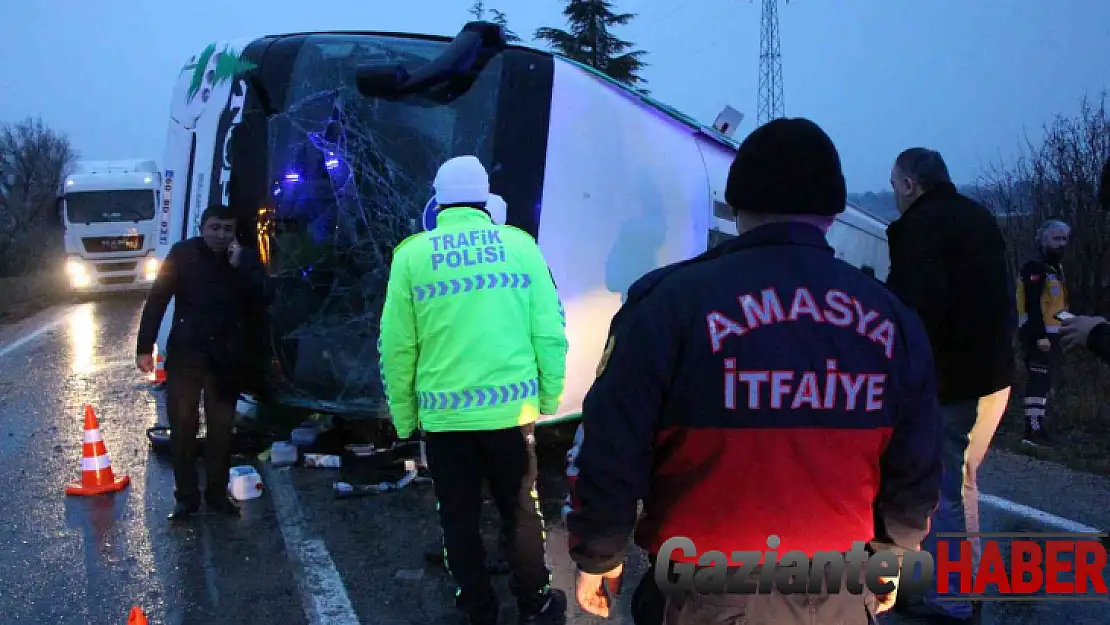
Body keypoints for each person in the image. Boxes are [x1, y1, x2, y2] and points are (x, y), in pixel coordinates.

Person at [565, 118, 942, 625]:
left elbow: (613, 441)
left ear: (738, 206)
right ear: (832, 212)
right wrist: (898, 550)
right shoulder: (893, 318)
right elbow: (916, 458)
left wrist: (599, 552)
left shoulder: (669, 303)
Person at [378, 155, 570, 625]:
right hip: (510, 415)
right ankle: (535, 602)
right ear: (486, 198)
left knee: (457, 518)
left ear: (437, 199)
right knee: (523, 512)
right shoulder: (520, 247)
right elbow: (550, 330)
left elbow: (397, 347)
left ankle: (477, 607)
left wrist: (405, 418)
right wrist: (550, 398)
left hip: (444, 421)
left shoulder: (412, 255)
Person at [884, 147, 1015, 623]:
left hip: (948, 379)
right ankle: (955, 585)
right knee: (959, 482)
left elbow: (915, 310)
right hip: (990, 375)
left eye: (895, 184)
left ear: (909, 185)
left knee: (936, 487)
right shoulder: (977, 217)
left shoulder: (923, 228)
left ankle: (950, 597)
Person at [136, 203, 267, 520]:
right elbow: (158, 298)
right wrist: (145, 346)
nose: (220, 235)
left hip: (226, 358)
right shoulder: (182, 255)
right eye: (214, 227)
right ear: (202, 227)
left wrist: (240, 268)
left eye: (227, 229)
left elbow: (262, 300)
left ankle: (217, 496)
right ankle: (186, 499)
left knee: (221, 431)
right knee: (183, 428)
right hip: (187, 354)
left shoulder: (244, 260)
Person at [1015, 219, 1071, 447]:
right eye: (1056, 238)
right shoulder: (1035, 267)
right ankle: (1032, 430)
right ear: (1043, 239)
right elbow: (1032, 304)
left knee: (1044, 381)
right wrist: (1040, 336)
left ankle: (1039, 426)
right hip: (1038, 335)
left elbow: (1055, 305)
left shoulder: (1055, 268)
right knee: (1037, 380)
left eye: (1064, 239)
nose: (1061, 244)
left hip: (1053, 334)